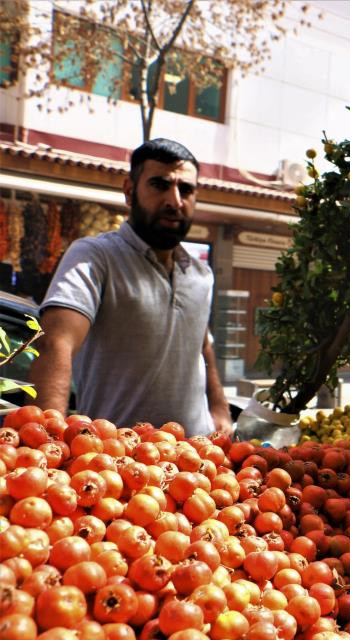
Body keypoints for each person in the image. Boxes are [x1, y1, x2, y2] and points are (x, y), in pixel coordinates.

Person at [28, 138, 230, 436]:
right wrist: (49, 443)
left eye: (185, 189)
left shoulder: (202, 275)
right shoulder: (96, 257)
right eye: (160, 185)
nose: (174, 201)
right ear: (129, 191)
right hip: (117, 464)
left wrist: (220, 410)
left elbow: (202, 346)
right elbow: (56, 342)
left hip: (198, 463)